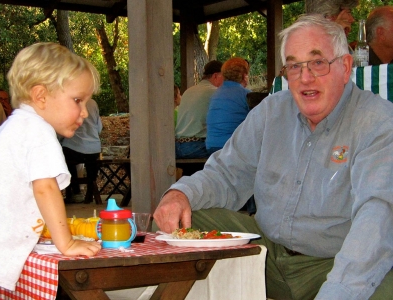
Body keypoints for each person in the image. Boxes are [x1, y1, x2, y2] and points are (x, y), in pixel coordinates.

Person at [154, 14, 393, 299]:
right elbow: (227, 174)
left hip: (332, 263)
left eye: (318, 62)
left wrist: (338, 292)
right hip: (265, 253)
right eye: (294, 66)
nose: (305, 77)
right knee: (189, 217)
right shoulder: (272, 111)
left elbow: (377, 217)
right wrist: (181, 193)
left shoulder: (377, 121)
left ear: (344, 66)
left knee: (379, 280)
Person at [0, 42, 102, 291]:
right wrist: (67, 243)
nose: (84, 113)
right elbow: (45, 189)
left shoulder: (12, 129)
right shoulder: (38, 131)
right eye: (78, 100)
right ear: (41, 95)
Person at [175, 60, 223, 159]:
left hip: (177, 147)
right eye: (225, 78)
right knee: (230, 153)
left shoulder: (188, 91)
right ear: (215, 76)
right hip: (196, 146)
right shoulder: (216, 92)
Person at [205, 57, 250, 154]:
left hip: (211, 146)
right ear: (244, 75)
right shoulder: (246, 95)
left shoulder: (216, 94)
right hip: (231, 147)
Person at [62, 99, 103, 204]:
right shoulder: (93, 102)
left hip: (73, 146)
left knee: (64, 158)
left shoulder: (69, 101)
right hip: (94, 147)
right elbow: (99, 127)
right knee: (91, 166)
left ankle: (75, 191)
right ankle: (90, 192)